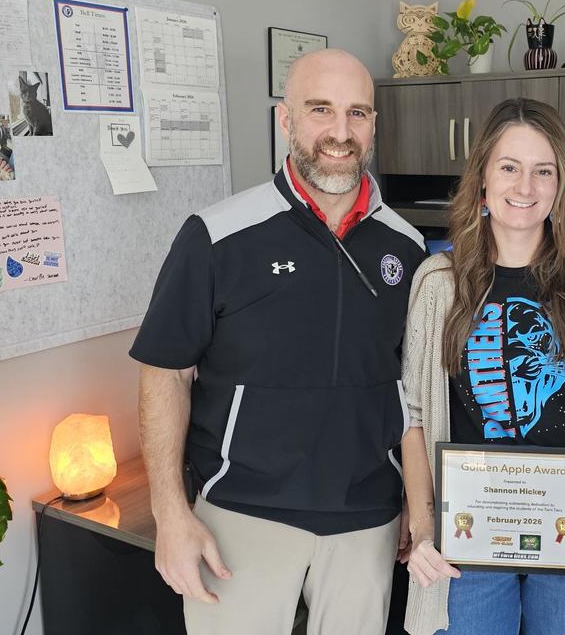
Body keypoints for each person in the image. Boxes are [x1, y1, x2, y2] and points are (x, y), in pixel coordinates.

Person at [131, 49, 426, 635]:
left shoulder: (408, 247)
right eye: (320, 110)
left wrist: (415, 505)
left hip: (366, 522)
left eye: (357, 113)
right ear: (285, 120)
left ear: (373, 124)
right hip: (241, 517)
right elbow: (165, 371)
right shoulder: (216, 236)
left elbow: (411, 390)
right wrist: (170, 513)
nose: (340, 132)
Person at [400, 98, 565, 635]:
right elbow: (414, 416)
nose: (525, 187)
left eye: (544, 171)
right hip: (465, 539)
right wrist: (424, 527)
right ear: (482, 177)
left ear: (562, 183)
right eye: (509, 167)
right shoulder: (437, 283)